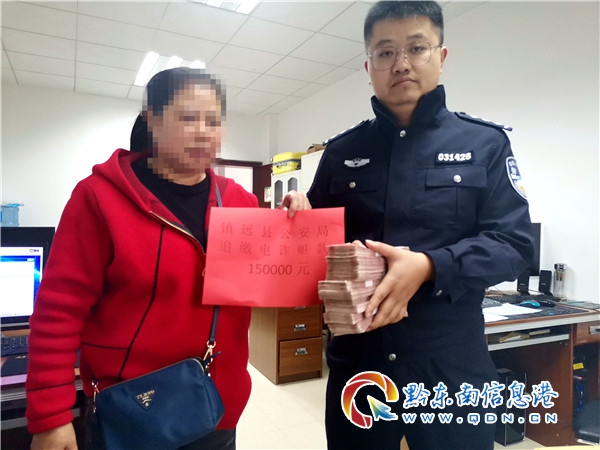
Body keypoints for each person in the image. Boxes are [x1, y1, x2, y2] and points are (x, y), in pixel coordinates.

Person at [283, 1, 534, 449]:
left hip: (448, 363)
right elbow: (316, 247)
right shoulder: (341, 152)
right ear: (368, 67)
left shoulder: (485, 144)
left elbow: (514, 245)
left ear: (441, 56)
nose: (401, 64)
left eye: (416, 48)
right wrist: (298, 217)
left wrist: (431, 266)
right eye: (385, 52)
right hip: (360, 362)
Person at [26, 67, 258, 450]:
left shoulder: (240, 202)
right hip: (133, 412)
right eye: (188, 118)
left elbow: (274, 280)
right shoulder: (99, 198)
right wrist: (51, 417)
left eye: (214, 121)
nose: (204, 132)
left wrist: (296, 217)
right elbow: (58, 313)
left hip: (216, 409)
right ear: (152, 119)